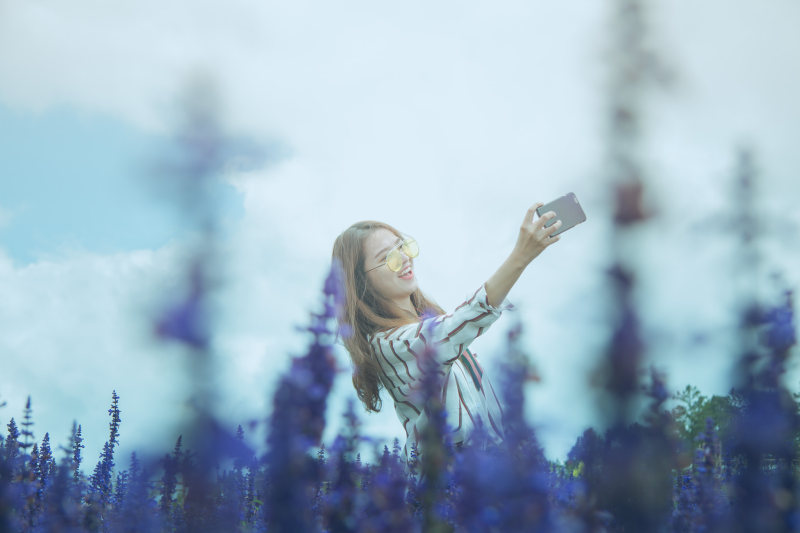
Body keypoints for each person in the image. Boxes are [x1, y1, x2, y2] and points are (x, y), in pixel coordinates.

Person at [330, 203, 562, 463]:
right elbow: (466, 318)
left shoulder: (431, 327)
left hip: (488, 474)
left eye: (402, 246)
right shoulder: (390, 345)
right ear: (363, 282)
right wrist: (521, 255)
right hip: (446, 490)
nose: (405, 258)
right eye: (388, 257)